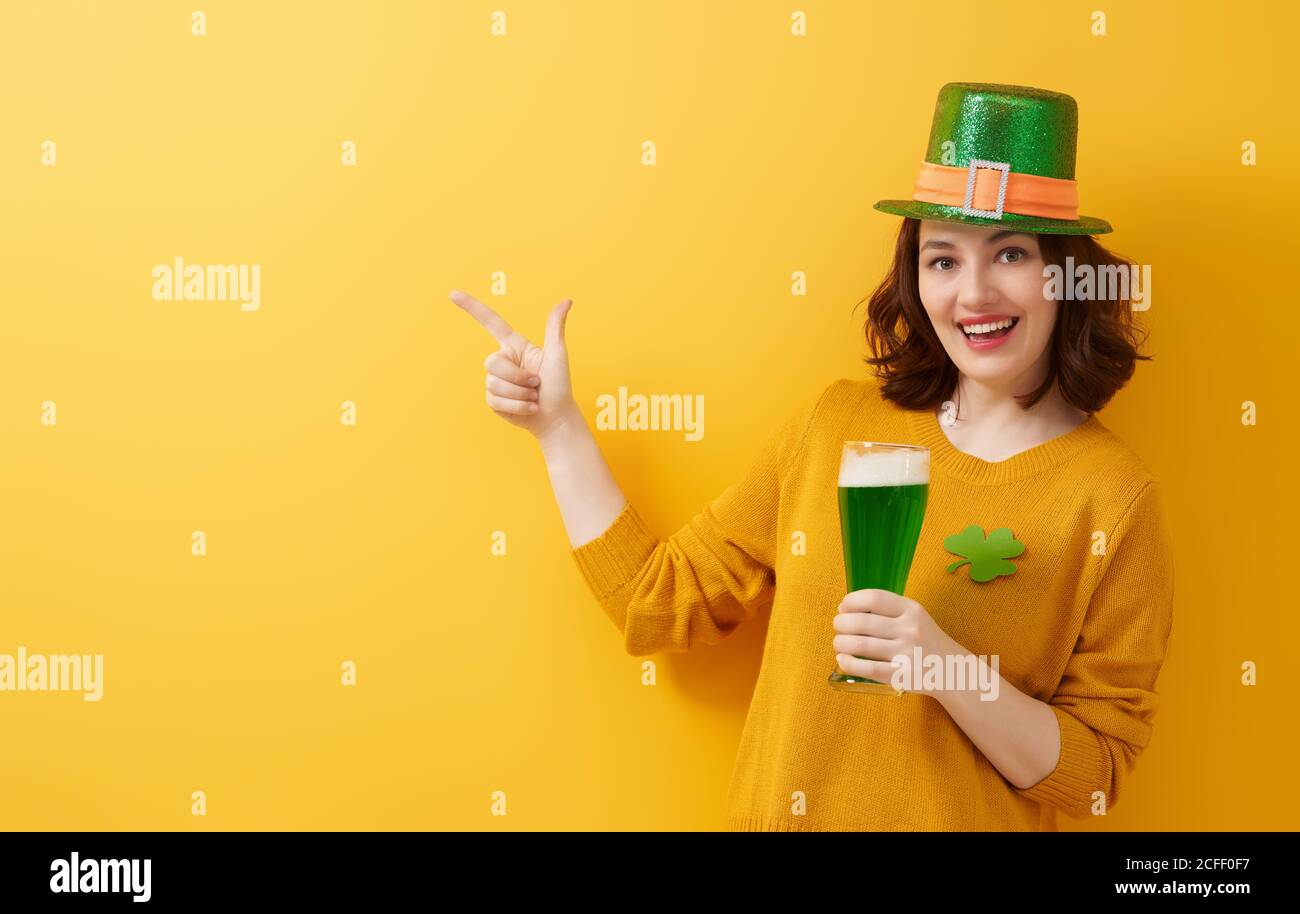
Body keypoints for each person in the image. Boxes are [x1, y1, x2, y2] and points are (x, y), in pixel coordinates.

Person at [450, 82, 1174, 831]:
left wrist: (945, 667)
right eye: (943, 260)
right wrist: (558, 429)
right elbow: (658, 606)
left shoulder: (1112, 497)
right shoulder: (835, 426)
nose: (974, 294)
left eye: (1011, 253)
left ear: (1064, 273)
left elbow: (1094, 775)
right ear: (914, 275)